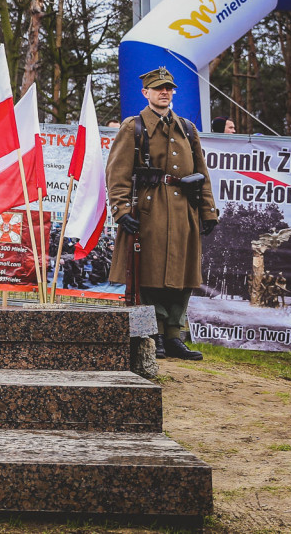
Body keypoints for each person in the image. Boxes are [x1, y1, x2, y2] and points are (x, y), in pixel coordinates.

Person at [106, 67, 219, 361]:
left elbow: (201, 172)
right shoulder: (134, 127)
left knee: (183, 275)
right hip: (149, 209)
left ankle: (173, 336)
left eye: (169, 88)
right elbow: (117, 173)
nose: (164, 92)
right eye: (158, 89)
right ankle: (152, 334)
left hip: (184, 212)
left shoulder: (188, 129)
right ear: (146, 93)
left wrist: (208, 211)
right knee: (150, 273)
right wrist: (121, 210)